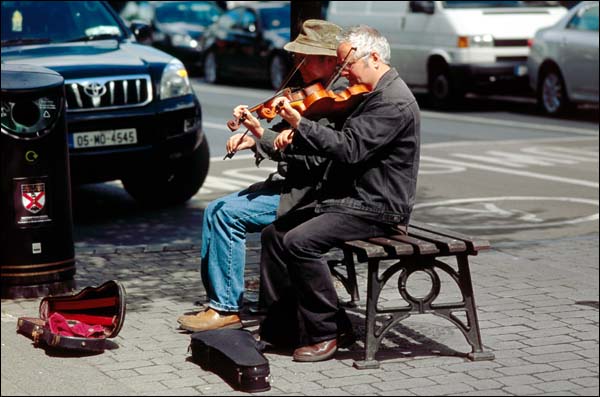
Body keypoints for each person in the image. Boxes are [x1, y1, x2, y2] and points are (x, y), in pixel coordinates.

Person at [258, 25, 421, 362]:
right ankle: (284, 328)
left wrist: (302, 125)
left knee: (300, 242)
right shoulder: (370, 94)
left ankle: (327, 333)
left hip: (378, 206)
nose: (343, 71)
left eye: (347, 64)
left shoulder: (393, 102)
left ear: (374, 57)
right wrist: (287, 134)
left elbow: (349, 149)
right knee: (275, 234)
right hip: (351, 199)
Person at [177, 19, 345, 333]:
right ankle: (219, 301)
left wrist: (259, 133)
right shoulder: (309, 94)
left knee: (227, 215)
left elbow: (310, 158)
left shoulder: (333, 102)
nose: (297, 65)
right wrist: (254, 140)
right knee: (215, 209)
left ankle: (225, 307)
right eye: (297, 57)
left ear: (327, 60)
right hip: (294, 184)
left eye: (303, 59)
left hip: (311, 193)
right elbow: (278, 138)